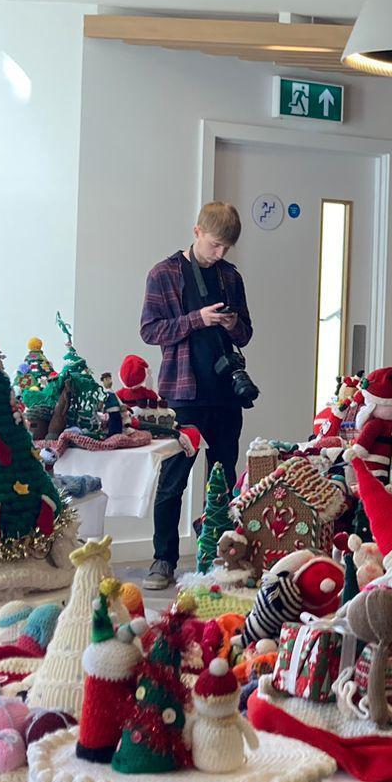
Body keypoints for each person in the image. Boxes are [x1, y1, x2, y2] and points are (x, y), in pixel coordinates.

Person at [138, 201, 261, 589]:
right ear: (196, 233)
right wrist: (198, 319)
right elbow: (149, 330)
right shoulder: (163, 274)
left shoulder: (230, 277)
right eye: (213, 245)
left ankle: (216, 556)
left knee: (222, 481)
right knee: (173, 480)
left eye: (226, 247)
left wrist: (231, 322)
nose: (219, 254)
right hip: (183, 395)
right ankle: (163, 560)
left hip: (225, 393)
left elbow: (246, 334)